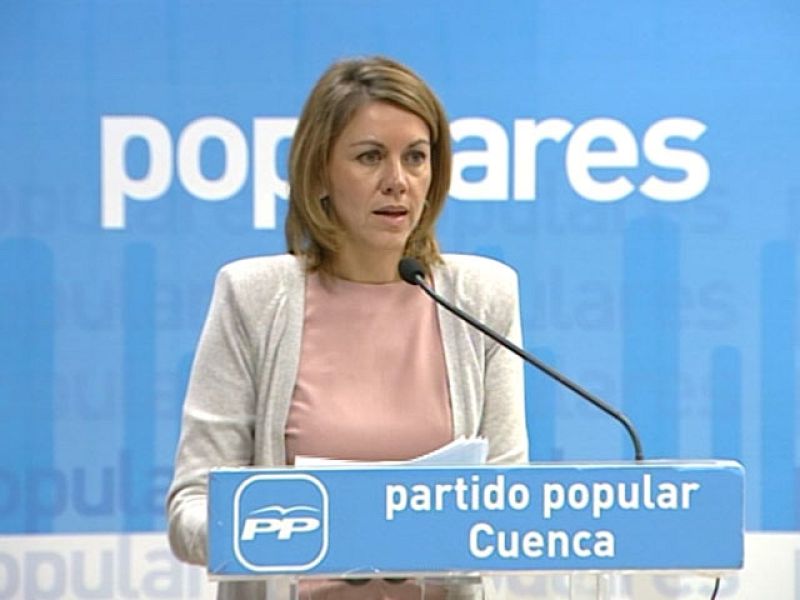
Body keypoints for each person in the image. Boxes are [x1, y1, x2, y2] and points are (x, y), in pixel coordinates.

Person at [166, 56, 528, 600]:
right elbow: (191, 509)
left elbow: (511, 502)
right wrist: (293, 534)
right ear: (320, 174)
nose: (397, 182)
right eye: (370, 157)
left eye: (416, 157)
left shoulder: (481, 297)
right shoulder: (253, 298)